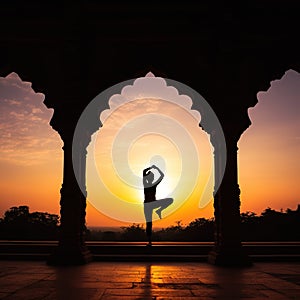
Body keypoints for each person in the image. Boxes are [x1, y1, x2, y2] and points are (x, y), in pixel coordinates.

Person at [143, 165, 173, 246]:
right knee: (149, 223)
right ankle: (149, 241)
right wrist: (151, 168)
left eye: (152, 177)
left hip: (153, 203)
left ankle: (159, 210)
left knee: (170, 200)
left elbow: (162, 176)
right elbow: (144, 171)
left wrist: (156, 168)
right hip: (147, 205)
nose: (151, 178)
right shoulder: (145, 184)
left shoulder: (154, 185)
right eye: (150, 176)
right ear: (148, 177)